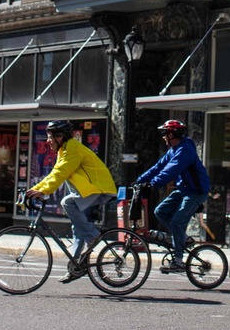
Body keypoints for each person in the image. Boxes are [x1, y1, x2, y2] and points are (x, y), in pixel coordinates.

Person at [26, 120, 118, 283]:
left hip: (98, 189)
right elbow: (54, 174)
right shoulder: (65, 150)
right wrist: (35, 189)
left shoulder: (72, 149)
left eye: (50, 137)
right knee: (78, 229)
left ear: (60, 136)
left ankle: (93, 236)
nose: (48, 141)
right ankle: (76, 267)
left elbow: (61, 173)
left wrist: (44, 191)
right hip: (88, 191)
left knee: (67, 203)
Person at [134, 119, 211, 274]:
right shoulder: (173, 150)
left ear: (172, 134)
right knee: (160, 211)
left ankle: (178, 261)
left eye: (164, 133)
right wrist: (140, 180)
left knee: (176, 221)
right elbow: (159, 166)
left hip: (196, 192)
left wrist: (154, 183)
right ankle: (182, 238)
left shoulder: (185, 150)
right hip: (184, 190)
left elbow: (172, 169)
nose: (163, 137)